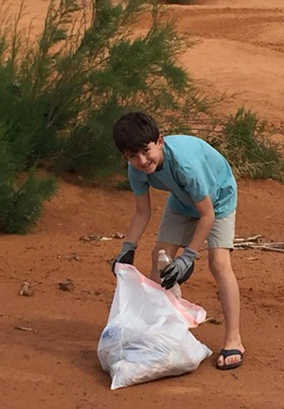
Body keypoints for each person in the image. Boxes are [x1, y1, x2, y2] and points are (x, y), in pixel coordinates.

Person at [111, 111, 244, 370]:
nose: (141, 160)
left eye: (145, 151)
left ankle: (234, 339)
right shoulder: (136, 168)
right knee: (159, 258)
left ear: (159, 141)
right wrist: (127, 249)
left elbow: (207, 214)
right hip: (183, 200)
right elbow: (142, 212)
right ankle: (161, 332)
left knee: (218, 262)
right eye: (131, 155)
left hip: (218, 199)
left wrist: (189, 256)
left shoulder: (185, 165)